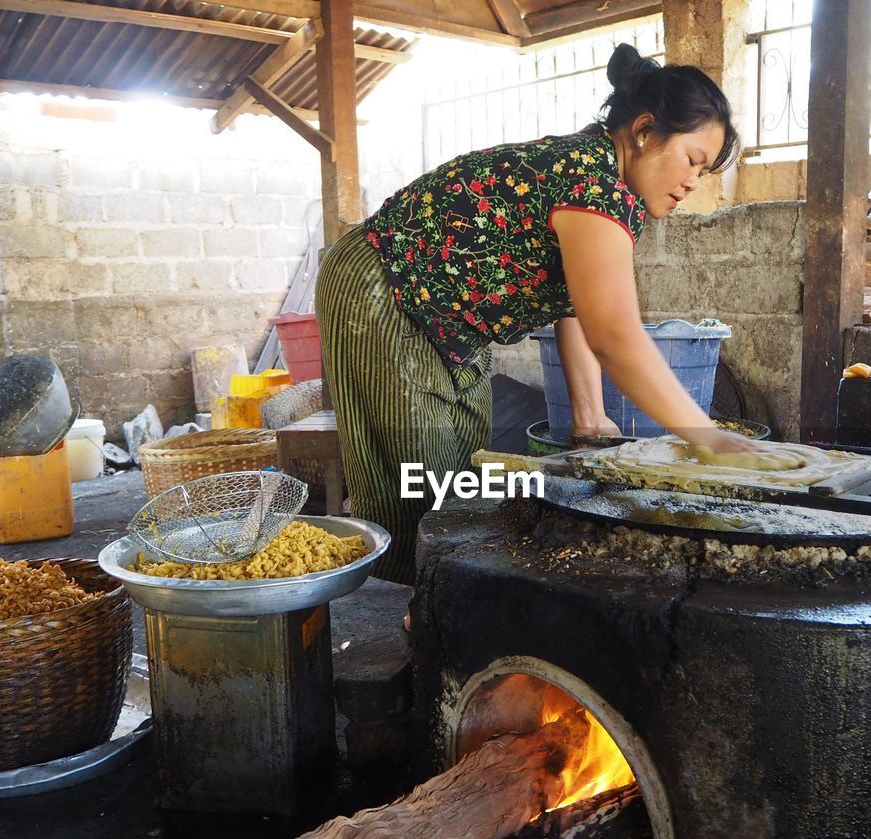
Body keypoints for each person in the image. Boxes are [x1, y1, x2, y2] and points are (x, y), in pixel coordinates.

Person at [316, 43, 759, 586]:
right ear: (645, 131)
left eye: (706, 172)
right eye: (693, 160)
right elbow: (615, 336)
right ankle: (424, 609)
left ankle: (437, 592)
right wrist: (704, 435)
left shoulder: (610, 184)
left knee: (460, 460)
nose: (694, 182)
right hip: (383, 283)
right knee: (420, 469)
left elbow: (576, 307)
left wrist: (590, 416)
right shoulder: (590, 181)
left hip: (446, 314)